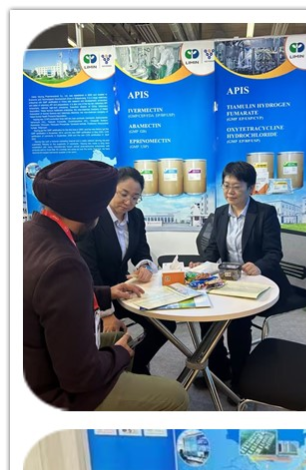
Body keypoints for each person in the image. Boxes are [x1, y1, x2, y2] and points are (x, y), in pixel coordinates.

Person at [24, 159, 188, 411]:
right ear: (92, 208)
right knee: (177, 396)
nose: (128, 202)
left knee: (127, 338)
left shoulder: (31, 231)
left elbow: (56, 297)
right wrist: (118, 354)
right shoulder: (65, 264)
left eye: (135, 197)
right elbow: (79, 377)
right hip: (53, 391)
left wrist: (107, 293)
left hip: (36, 360)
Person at [76, 166, 173, 376]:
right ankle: (122, 369)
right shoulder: (93, 218)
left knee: (166, 326)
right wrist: (106, 313)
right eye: (124, 194)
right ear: (111, 189)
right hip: (95, 296)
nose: (128, 202)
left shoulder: (135, 216)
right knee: (109, 334)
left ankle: (135, 364)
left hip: (124, 290)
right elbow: (89, 270)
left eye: (135, 197)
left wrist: (144, 266)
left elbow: (141, 250)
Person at [201, 161, 288, 383]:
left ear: (250, 188)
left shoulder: (265, 213)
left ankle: (240, 377)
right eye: (226, 185)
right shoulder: (220, 213)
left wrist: (258, 265)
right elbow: (213, 249)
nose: (229, 192)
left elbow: (274, 253)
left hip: (257, 280)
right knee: (206, 316)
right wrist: (202, 266)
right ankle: (219, 369)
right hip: (228, 278)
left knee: (238, 323)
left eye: (236, 187)